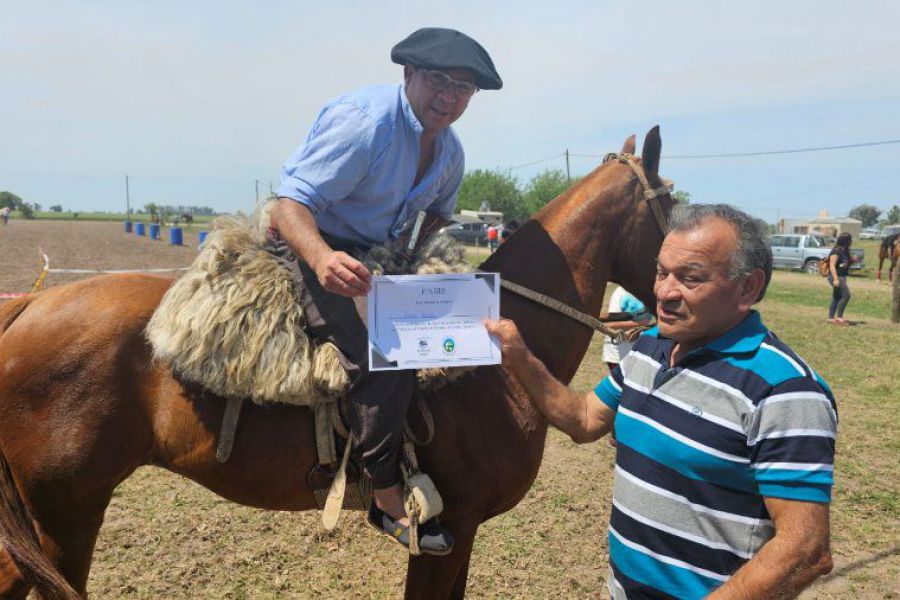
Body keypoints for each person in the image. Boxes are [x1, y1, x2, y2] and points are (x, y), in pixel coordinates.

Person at [486, 204, 836, 598]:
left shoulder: (785, 390)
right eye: (661, 272)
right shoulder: (651, 347)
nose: (664, 293)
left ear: (747, 288)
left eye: (690, 278)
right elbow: (584, 419)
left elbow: (805, 551)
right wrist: (520, 357)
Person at [269, 27, 502, 555]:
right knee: (388, 349)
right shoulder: (365, 125)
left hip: (377, 251)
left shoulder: (450, 153)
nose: (450, 96)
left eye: (464, 89)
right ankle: (385, 492)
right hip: (311, 240)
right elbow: (288, 205)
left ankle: (429, 451)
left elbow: (438, 210)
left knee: (449, 325)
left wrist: (414, 252)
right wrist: (323, 258)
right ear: (409, 75)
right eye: (440, 80)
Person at [602, 285, 652, 372]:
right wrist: (638, 323)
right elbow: (611, 322)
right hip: (617, 353)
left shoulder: (646, 292)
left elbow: (647, 319)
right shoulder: (621, 292)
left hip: (637, 351)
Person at [827, 232, 853, 325]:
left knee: (837, 297)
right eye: (849, 240)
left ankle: (830, 318)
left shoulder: (845, 250)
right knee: (846, 295)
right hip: (836, 276)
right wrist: (835, 279)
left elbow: (846, 264)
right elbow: (832, 265)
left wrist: (852, 260)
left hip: (842, 275)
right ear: (845, 241)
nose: (851, 242)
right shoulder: (836, 251)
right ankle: (839, 318)